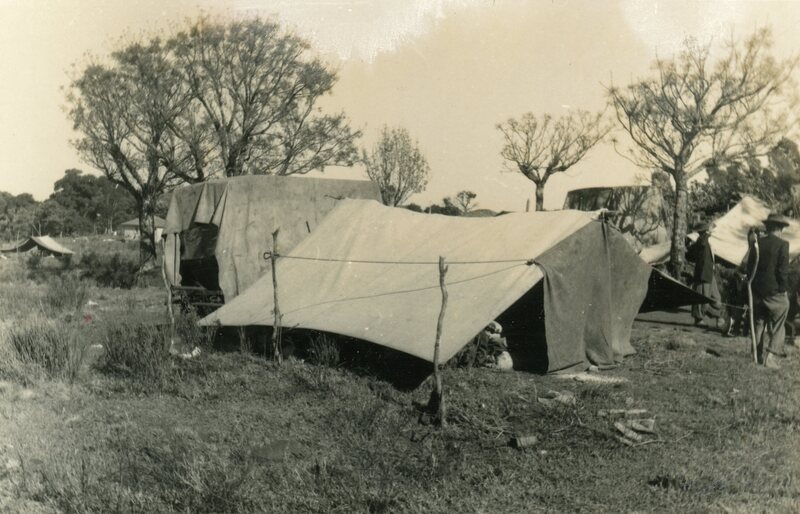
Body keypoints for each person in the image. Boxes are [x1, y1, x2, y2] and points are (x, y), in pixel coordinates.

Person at [748, 213, 791, 369]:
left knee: (759, 322)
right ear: (779, 228)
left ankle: (757, 355)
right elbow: (782, 271)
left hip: (757, 290)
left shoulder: (757, 243)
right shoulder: (783, 244)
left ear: (768, 227)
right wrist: (783, 290)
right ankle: (770, 357)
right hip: (773, 291)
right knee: (782, 313)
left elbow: (750, 266)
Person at [686, 221, 724, 328]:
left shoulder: (704, 240)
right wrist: (707, 233)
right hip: (703, 274)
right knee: (702, 298)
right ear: (705, 231)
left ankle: (718, 317)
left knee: (716, 298)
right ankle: (699, 319)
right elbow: (702, 242)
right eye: (708, 229)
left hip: (708, 273)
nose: (711, 230)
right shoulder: (702, 240)